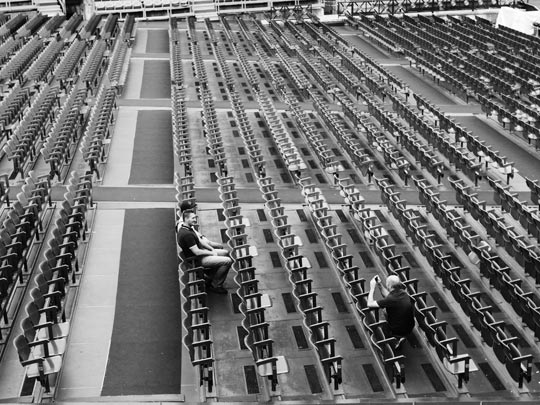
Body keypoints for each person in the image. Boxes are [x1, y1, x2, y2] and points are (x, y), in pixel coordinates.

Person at [177, 209, 232, 295]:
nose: (195, 220)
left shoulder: (188, 228)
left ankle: (211, 275)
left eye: (195, 217)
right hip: (197, 260)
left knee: (225, 252)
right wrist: (211, 253)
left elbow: (200, 242)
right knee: (228, 261)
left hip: (201, 253)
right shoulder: (186, 235)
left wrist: (211, 249)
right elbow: (197, 252)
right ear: (186, 219)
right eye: (193, 218)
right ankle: (216, 285)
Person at [367, 275, 415, 350]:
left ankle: (395, 339)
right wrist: (380, 284)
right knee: (386, 310)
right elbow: (388, 296)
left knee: (380, 325)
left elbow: (370, 304)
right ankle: (400, 336)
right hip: (409, 327)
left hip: (398, 329)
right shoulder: (403, 293)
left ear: (389, 285)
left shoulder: (391, 300)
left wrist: (372, 287)